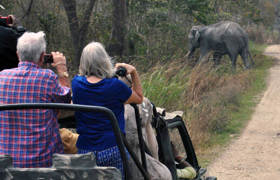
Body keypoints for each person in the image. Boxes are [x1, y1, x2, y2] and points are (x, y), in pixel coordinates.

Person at [71, 42, 143, 177]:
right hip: (112, 148)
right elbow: (139, 98)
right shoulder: (115, 86)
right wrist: (133, 72)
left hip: (85, 150)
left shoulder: (76, 84)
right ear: (105, 60)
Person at [0, 31, 71, 168]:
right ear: (43, 57)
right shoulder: (47, 78)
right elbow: (66, 99)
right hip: (43, 164)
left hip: (5, 164)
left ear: (17, 54)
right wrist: (62, 69)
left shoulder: (1, 77)